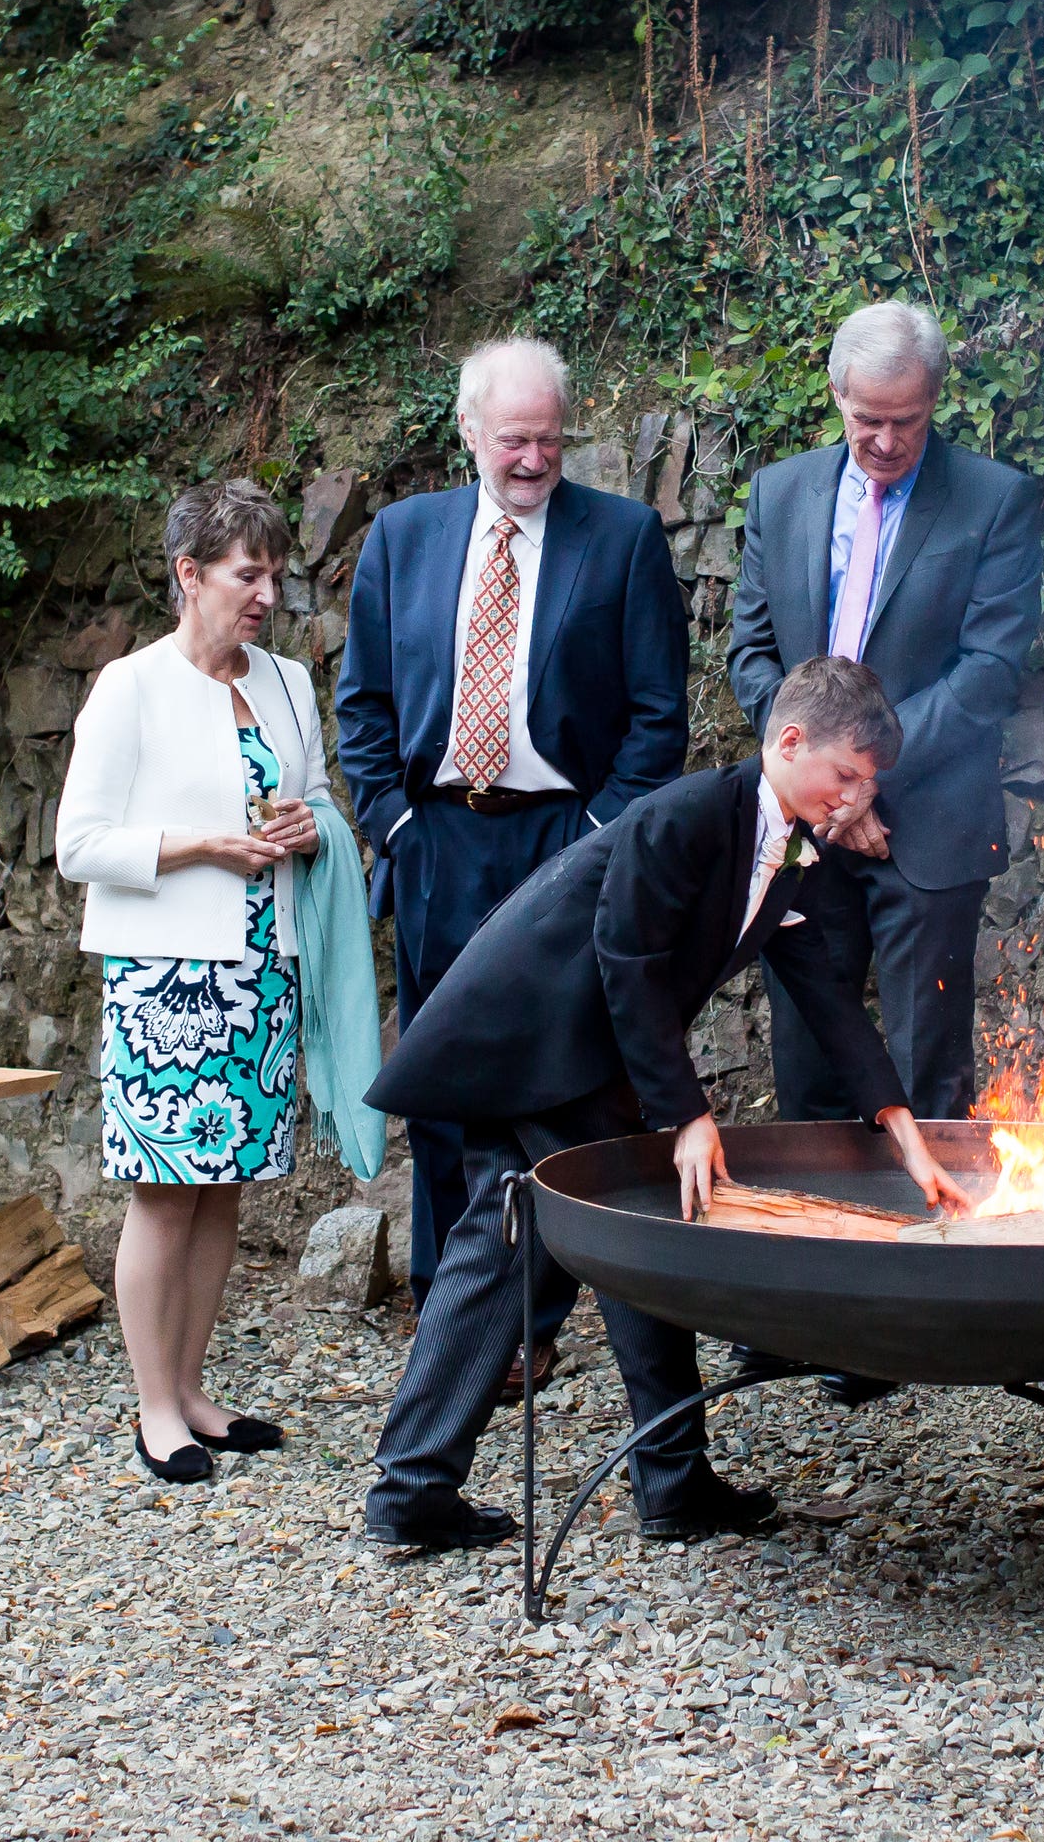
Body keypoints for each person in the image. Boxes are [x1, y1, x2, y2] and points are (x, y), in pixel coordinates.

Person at [361, 658, 971, 1550]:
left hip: (566, 1053)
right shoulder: (688, 814)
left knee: (503, 1253)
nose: (851, 799)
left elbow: (830, 999)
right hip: (535, 1037)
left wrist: (905, 1134)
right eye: (845, 775)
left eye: (866, 786)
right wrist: (686, 1115)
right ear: (789, 741)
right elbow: (628, 961)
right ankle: (669, 1482)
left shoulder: (789, 846)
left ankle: (414, 1493)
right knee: (640, 1233)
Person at [334, 335, 689, 1382]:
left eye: (549, 440)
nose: (533, 459)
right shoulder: (403, 538)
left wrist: (599, 838)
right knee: (443, 1082)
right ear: (469, 432)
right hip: (438, 841)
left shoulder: (621, 538)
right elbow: (364, 704)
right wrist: (395, 826)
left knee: (558, 1083)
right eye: (512, 440)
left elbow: (657, 716)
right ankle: (448, 1311)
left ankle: (533, 1317)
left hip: (564, 839)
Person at [57, 480, 348, 1484]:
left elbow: (314, 798)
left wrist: (308, 826)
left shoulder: (288, 682)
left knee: (224, 1189)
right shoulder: (130, 686)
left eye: (275, 575)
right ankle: (153, 1409)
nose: (267, 594)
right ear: (190, 575)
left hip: (265, 965)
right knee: (165, 1194)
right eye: (245, 574)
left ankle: (190, 1390)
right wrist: (199, 846)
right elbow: (78, 844)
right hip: (166, 975)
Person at [727, 302, 1041, 1127]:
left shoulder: (995, 500)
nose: (888, 441)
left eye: (907, 420)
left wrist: (869, 777)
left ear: (935, 398)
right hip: (805, 836)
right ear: (836, 393)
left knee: (925, 1083)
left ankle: (928, 1216)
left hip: (928, 832)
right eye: (868, 419)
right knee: (807, 1081)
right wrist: (818, 780)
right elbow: (752, 654)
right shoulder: (779, 493)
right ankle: (814, 1217)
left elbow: (989, 673)